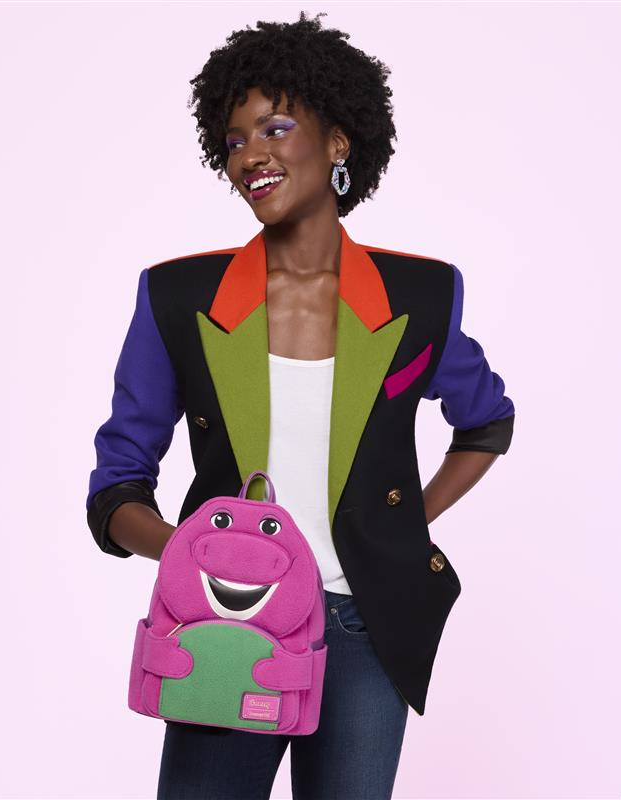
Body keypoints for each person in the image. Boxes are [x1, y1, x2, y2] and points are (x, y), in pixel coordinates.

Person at [86, 11, 515, 800]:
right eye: (234, 141)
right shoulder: (178, 296)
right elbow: (116, 485)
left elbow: (486, 422)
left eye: (275, 128)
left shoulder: (421, 294)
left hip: (364, 628)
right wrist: (196, 555)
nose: (250, 154)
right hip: (225, 626)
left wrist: (397, 525)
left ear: (339, 142)